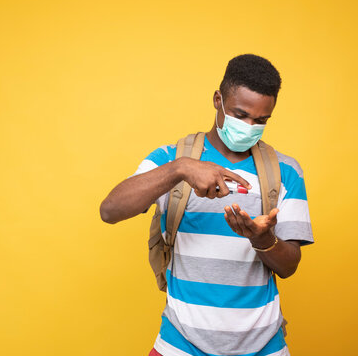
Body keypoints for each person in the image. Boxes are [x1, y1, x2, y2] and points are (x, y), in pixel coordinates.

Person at [100, 54, 314, 356]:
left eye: (261, 121)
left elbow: (289, 265)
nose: (250, 126)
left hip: (265, 347)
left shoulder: (286, 171)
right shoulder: (169, 158)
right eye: (241, 115)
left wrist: (262, 239)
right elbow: (110, 210)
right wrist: (180, 169)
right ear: (218, 100)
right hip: (179, 346)